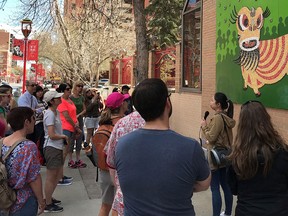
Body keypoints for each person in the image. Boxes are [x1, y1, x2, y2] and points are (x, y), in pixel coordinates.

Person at [116, 78, 211, 215]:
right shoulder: (190, 147)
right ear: (167, 103)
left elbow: (120, 179)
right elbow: (204, 184)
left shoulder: (122, 145)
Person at [227, 100, 288, 216]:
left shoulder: (235, 155)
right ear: (267, 120)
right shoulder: (283, 152)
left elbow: (233, 189)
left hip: (247, 211)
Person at [0, 107, 45, 215]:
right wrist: (41, 200)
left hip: (4, 198)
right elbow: (33, 178)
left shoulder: (2, 142)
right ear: (26, 122)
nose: (34, 122)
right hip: (22, 201)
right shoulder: (28, 146)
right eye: (33, 119)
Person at [201, 92, 235, 216]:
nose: (210, 102)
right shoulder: (226, 117)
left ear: (218, 104)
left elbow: (211, 136)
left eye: (212, 100)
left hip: (216, 157)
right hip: (225, 156)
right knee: (226, 186)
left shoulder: (217, 118)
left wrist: (204, 126)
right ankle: (228, 213)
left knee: (215, 188)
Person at [105, 111, 145, 216]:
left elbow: (110, 160)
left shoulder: (121, 123)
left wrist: (118, 185)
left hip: (124, 195)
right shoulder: (162, 129)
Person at [96, 92, 129, 216]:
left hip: (104, 170)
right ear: (122, 105)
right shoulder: (125, 123)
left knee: (105, 206)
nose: (127, 103)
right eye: (125, 101)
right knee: (118, 208)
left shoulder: (103, 123)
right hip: (119, 171)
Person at [43, 91, 68, 213]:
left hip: (56, 147)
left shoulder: (56, 112)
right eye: (57, 98)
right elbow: (51, 135)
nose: (60, 98)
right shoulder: (50, 114)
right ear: (51, 101)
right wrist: (63, 137)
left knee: (57, 175)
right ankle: (47, 203)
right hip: (52, 147)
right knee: (51, 176)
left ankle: (49, 197)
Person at [56, 83, 78, 185]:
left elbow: (73, 114)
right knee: (63, 153)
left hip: (71, 128)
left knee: (66, 152)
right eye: (67, 89)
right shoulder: (61, 101)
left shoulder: (70, 100)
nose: (69, 91)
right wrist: (75, 126)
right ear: (62, 91)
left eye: (70, 89)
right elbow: (67, 116)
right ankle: (59, 177)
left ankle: (61, 175)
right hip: (65, 128)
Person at [70, 81, 87, 168]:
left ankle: (78, 158)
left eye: (81, 86)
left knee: (79, 138)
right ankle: (70, 159)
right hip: (71, 120)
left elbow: (85, 109)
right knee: (71, 138)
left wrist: (79, 114)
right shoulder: (70, 97)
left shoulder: (81, 98)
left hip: (79, 119)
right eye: (78, 86)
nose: (80, 87)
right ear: (75, 86)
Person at [33, 85, 47, 165]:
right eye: (38, 91)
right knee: (40, 141)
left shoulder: (44, 101)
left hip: (45, 122)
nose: (40, 93)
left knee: (43, 141)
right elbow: (35, 112)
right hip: (38, 123)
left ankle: (43, 158)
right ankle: (41, 159)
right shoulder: (34, 101)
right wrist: (41, 111)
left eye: (41, 91)